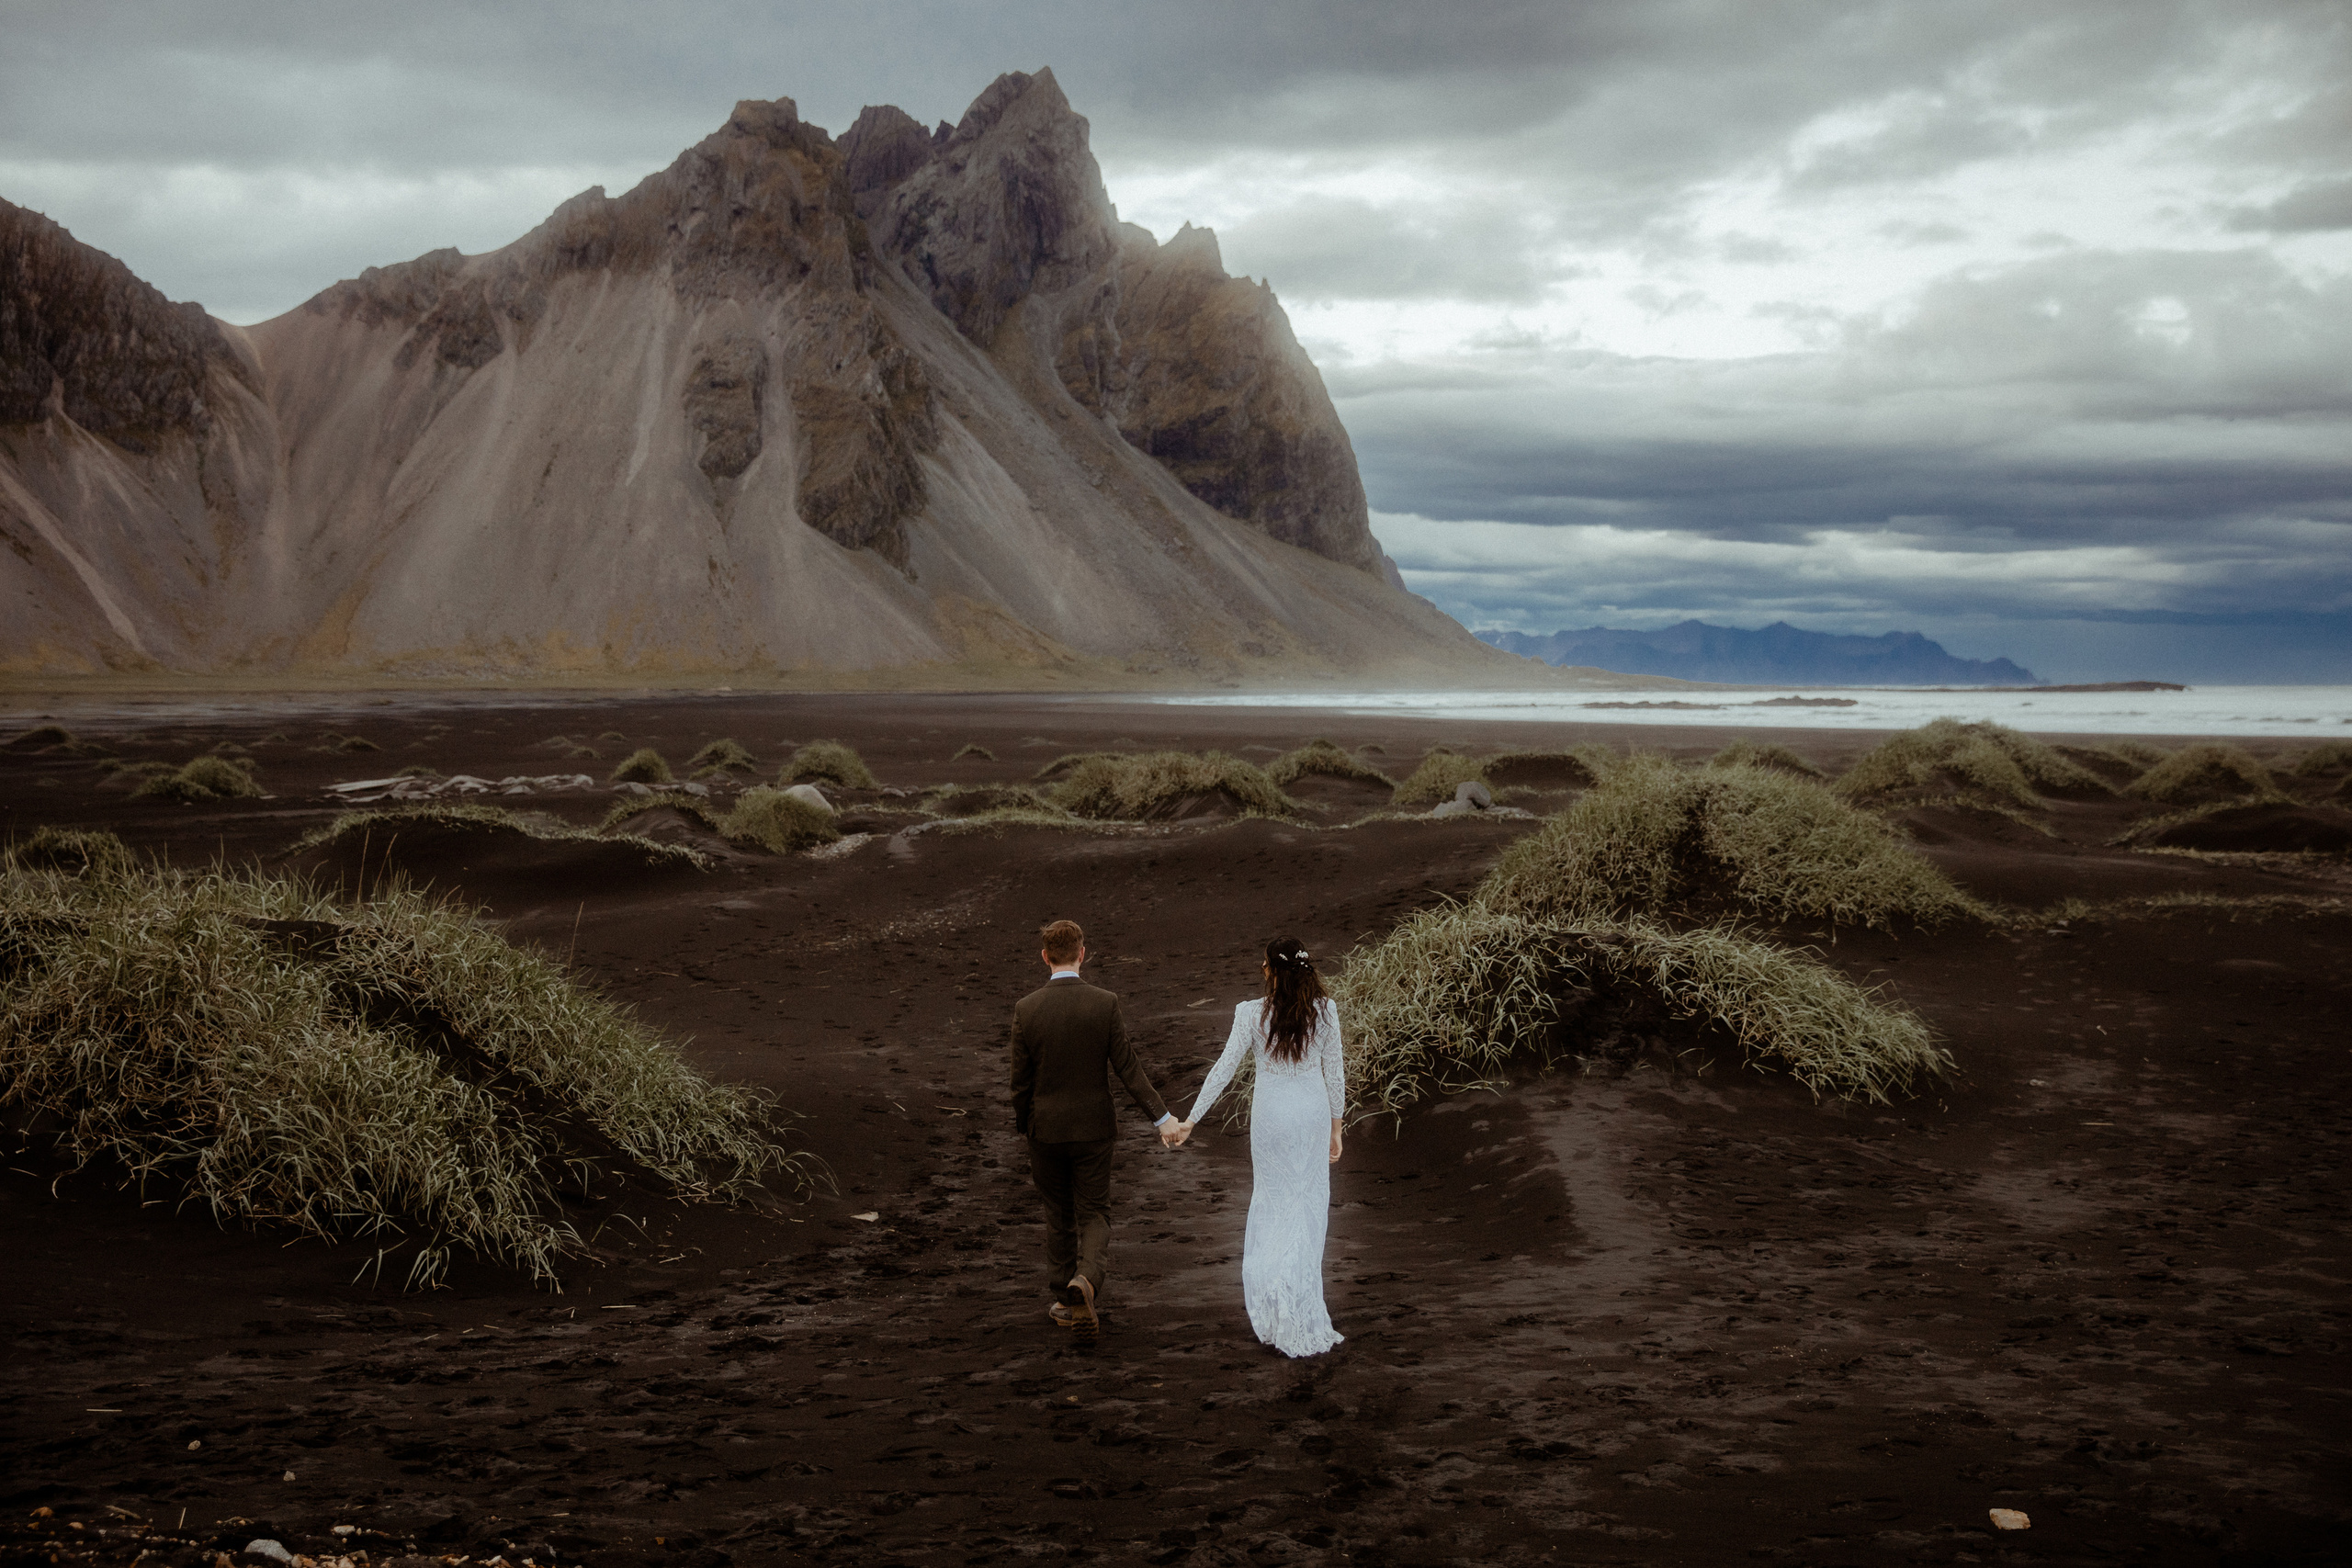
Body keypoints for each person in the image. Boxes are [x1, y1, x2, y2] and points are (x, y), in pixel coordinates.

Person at [1008, 919, 1183, 1343]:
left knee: (1058, 1214)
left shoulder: (1026, 1009)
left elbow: (1020, 1082)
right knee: (1094, 1211)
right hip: (1094, 1129)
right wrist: (1163, 1119)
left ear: (1045, 957)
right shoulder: (1104, 1003)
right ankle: (1086, 1281)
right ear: (1082, 954)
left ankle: (1062, 1298)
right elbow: (1127, 1067)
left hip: (1045, 1130)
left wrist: (1025, 1127)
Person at [1171, 936, 1346, 1358]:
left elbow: (1224, 1069)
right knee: (1305, 1206)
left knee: (1272, 1202)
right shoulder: (1325, 1010)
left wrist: (1191, 1120)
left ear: (1271, 970)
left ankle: (1276, 1301)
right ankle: (1299, 1303)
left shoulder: (1251, 1014)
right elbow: (1335, 1072)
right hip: (1311, 1115)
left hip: (1271, 1119)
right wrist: (1337, 1128)